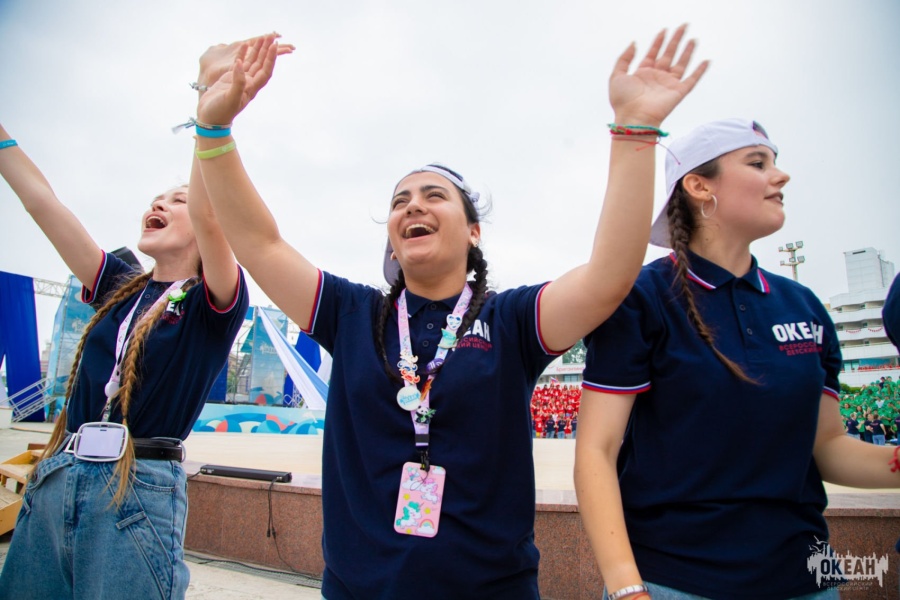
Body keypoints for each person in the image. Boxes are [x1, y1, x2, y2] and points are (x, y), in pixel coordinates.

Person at [191, 27, 706, 600]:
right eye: (400, 201)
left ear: (473, 231)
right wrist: (214, 129)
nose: (413, 205)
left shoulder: (511, 320)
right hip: (359, 590)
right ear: (393, 238)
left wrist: (634, 131)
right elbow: (259, 243)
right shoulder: (351, 312)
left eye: (434, 195)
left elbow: (609, 277)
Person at [574, 118, 900, 599]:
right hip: (673, 581)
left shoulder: (804, 305)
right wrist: (626, 586)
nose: (781, 175)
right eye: (757, 163)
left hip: (805, 579)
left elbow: (828, 447)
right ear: (699, 186)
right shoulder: (642, 298)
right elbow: (596, 452)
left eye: (775, 162)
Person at [0, 40, 254, 600]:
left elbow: (211, 212)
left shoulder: (213, 302)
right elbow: (44, 204)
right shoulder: (120, 285)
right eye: (155, 198)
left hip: (136, 491)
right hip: (57, 479)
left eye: (176, 200)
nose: (158, 204)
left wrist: (209, 103)